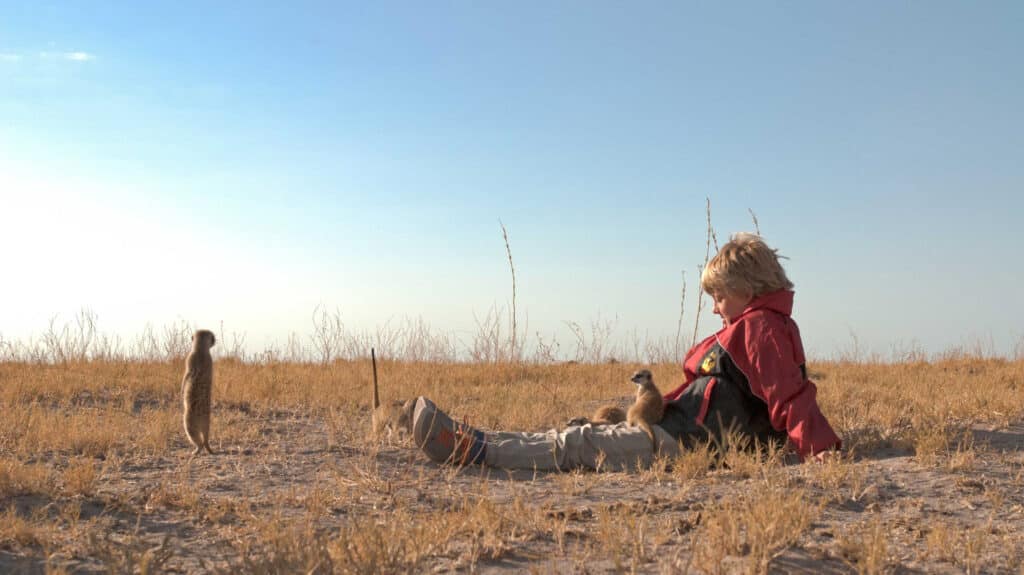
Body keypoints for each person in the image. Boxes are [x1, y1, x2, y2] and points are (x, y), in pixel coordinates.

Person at [411, 233, 841, 470]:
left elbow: (789, 394)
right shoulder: (754, 326)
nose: (714, 308)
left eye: (720, 297)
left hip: (685, 443)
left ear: (748, 290)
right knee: (582, 432)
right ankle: (478, 438)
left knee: (579, 445)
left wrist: (819, 449)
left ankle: (472, 449)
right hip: (677, 429)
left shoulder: (761, 329)